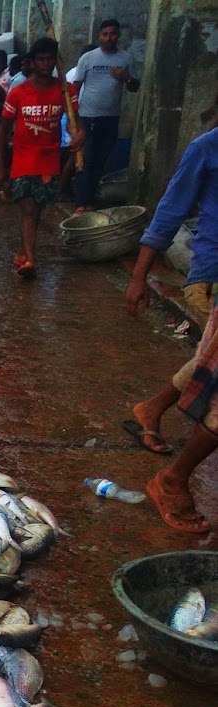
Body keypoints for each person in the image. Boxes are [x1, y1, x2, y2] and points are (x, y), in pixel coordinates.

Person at [124, 115, 218, 533]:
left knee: (210, 360)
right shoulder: (207, 148)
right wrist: (140, 276)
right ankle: (172, 480)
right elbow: (169, 212)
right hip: (213, 279)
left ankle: (152, 407)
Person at [0, 37, 81, 279]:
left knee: (37, 209)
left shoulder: (65, 91)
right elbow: (3, 128)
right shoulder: (18, 92)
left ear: (55, 61)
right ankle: (31, 260)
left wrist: (79, 135)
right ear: (32, 62)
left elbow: (77, 123)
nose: (45, 64)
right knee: (29, 208)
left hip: (49, 160)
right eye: (40, 59)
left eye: (50, 59)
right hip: (22, 160)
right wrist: (0, 164)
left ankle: (24, 251)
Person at [71, 19, 140, 214]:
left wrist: (125, 77)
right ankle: (80, 203)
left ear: (118, 35)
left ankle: (90, 201)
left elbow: (135, 87)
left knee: (101, 161)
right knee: (86, 160)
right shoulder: (88, 58)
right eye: (105, 34)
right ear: (99, 36)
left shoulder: (126, 58)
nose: (109, 38)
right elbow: (74, 88)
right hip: (88, 116)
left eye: (113, 34)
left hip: (111, 117)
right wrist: (73, 118)